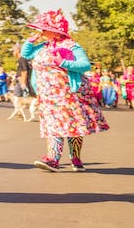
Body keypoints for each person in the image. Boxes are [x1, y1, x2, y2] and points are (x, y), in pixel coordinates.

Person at [20, 10, 108, 172]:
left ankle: (75, 158)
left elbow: (85, 65)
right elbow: (25, 54)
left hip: (69, 95)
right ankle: (53, 159)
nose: (41, 31)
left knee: (73, 127)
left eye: (44, 28)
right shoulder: (43, 46)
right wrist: (31, 40)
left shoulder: (72, 46)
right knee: (52, 125)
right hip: (48, 95)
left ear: (54, 30)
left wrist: (63, 62)